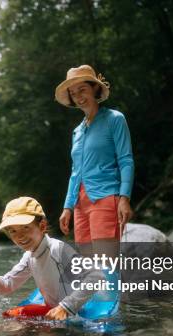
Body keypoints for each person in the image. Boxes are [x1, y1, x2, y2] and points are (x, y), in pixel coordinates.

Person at [0, 197, 103, 320]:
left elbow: (97, 277)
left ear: (42, 226)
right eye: (13, 231)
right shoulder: (29, 256)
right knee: (9, 323)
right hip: (53, 310)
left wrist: (65, 307)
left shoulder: (58, 249)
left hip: (75, 311)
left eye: (25, 227)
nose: (19, 236)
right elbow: (8, 285)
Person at [55, 65, 134, 259]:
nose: (79, 97)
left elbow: (126, 160)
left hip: (106, 197)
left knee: (106, 265)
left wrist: (124, 198)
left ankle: (113, 290)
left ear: (95, 89)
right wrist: (68, 207)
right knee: (89, 267)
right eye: (73, 93)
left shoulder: (114, 119)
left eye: (82, 89)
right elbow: (75, 172)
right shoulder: (77, 131)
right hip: (81, 205)